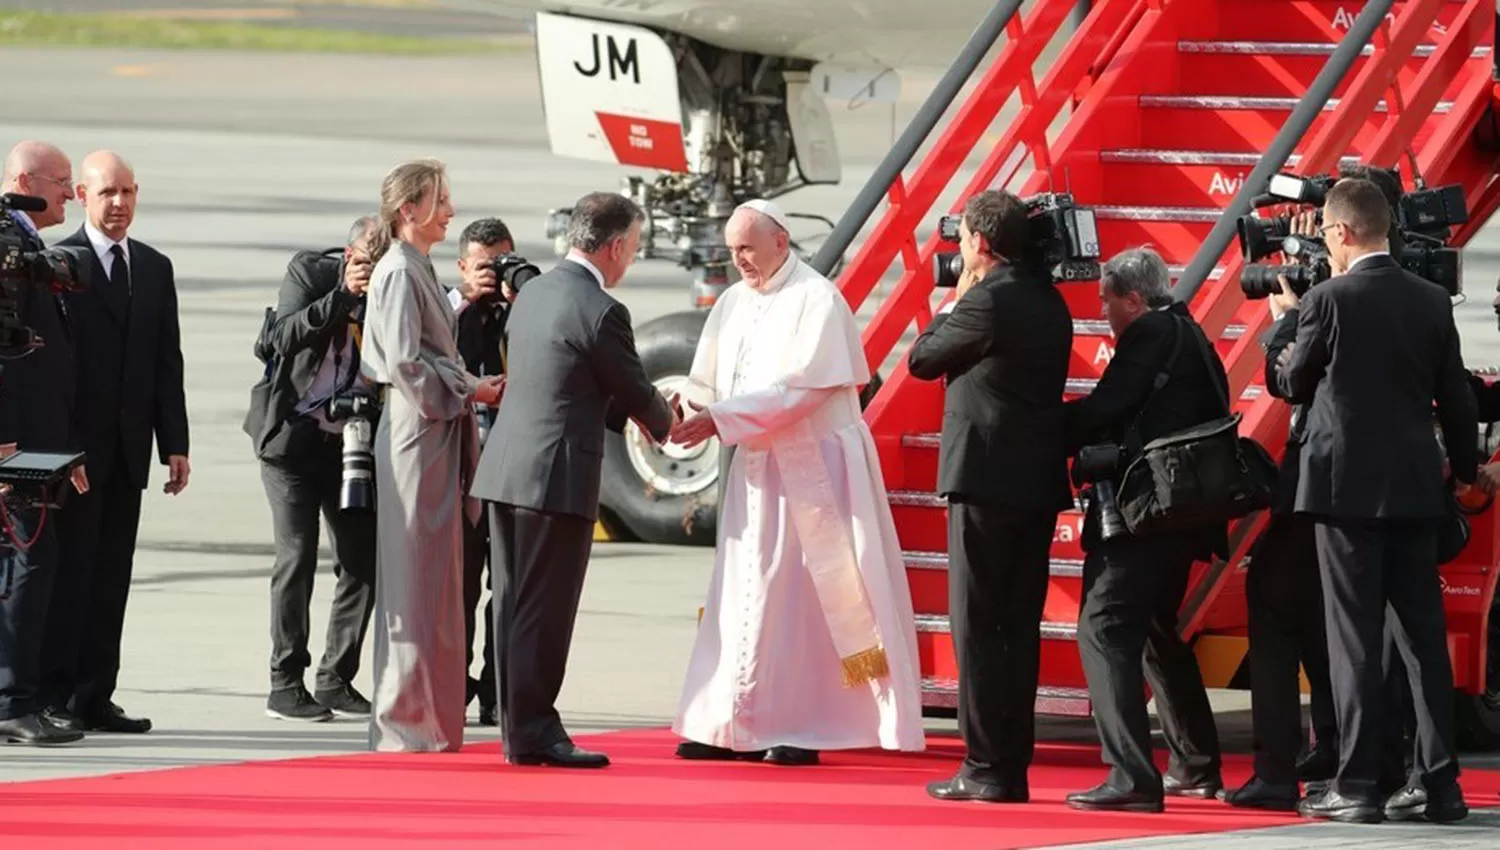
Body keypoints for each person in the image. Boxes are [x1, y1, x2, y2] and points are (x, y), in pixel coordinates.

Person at [668, 198, 925, 766]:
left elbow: (803, 391)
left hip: (814, 469)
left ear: (780, 243)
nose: (740, 261)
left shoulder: (818, 299)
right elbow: (706, 378)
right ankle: (729, 723)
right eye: (733, 251)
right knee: (742, 588)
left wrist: (722, 418)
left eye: (748, 249)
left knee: (803, 600)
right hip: (756, 468)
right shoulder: (733, 301)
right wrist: (686, 408)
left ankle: (799, 725)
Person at [1269, 177, 1473, 824]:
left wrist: (1286, 325)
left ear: (1339, 232)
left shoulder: (1327, 299)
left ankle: (1356, 784)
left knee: (1353, 638)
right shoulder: (1431, 300)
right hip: (1416, 485)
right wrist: (1465, 470)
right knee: (1421, 640)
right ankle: (1440, 785)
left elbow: (1295, 384)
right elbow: (1458, 397)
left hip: (1345, 486)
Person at [470, 192, 674, 768]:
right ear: (613, 246)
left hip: (507, 469)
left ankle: (520, 728)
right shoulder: (603, 309)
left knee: (513, 604)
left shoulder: (534, 291)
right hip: (554, 475)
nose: (630, 259)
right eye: (632, 247)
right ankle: (536, 730)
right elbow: (633, 388)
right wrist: (667, 420)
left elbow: (568, 376)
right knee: (546, 608)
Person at [907, 190, 1073, 800]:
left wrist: (953, 299)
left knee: (978, 625)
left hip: (984, 479)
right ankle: (1009, 764)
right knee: (1017, 627)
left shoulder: (987, 300)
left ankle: (985, 767)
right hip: (1032, 482)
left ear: (979, 243)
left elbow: (923, 360)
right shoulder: (1050, 300)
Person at [1062, 247, 1225, 813]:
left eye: (1107, 300)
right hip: (1186, 510)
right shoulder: (1188, 332)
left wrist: (1041, 422)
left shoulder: (1149, 336)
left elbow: (1110, 406)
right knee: (1156, 629)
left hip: (1148, 511)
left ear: (1133, 298)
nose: (1103, 311)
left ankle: (1131, 775)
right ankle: (1196, 763)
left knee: (1101, 627)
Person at [358, 159, 504, 752]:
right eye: (441, 201)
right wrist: (469, 389)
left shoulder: (418, 267)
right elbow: (404, 364)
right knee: (415, 582)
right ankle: (406, 722)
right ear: (408, 210)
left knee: (440, 581)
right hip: (418, 431)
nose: (450, 212)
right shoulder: (397, 271)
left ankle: (434, 719)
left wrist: (469, 386)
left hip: (437, 429)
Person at [46, 150, 188, 736]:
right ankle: (54, 695)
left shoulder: (154, 268)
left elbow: (165, 363)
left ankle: (95, 695)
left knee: (112, 577)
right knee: (70, 577)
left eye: (128, 192)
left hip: (129, 452)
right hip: (77, 456)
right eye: (108, 193)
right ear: (83, 194)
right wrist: (63, 448)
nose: (119, 204)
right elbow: (54, 370)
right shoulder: (60, 263)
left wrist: (174, 443)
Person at [246, 217, 381, 722]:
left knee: (363, 561)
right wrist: (343, 296)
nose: (375, 271)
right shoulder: (312, 272)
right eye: (368, 260)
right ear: (349, 254)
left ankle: (335, 677)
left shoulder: (391, 292)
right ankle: (285, 683)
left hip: (348, 442)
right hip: (291, 441)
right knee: (297, 556)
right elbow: (284, 337)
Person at [0, 141, 86, 746]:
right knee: (26, 564)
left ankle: (20, 696)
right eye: (61, 181)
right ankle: (13, 701)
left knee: (33, 563)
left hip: (39, 440)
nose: (71, 192)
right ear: (26, 180)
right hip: (14, 444)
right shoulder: (8, 244)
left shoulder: (25, 246)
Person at [450, 217, 515, 726]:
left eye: (502, 263)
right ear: (462, 267)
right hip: (463, 472)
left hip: (510, 469)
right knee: (462, 588)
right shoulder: (446, 309)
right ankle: (456, 686)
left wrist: (521, 299)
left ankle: (496, 691)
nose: (493, 275)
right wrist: (465, 299)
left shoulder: (520, 312)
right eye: (483, 266)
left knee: (508, 587)